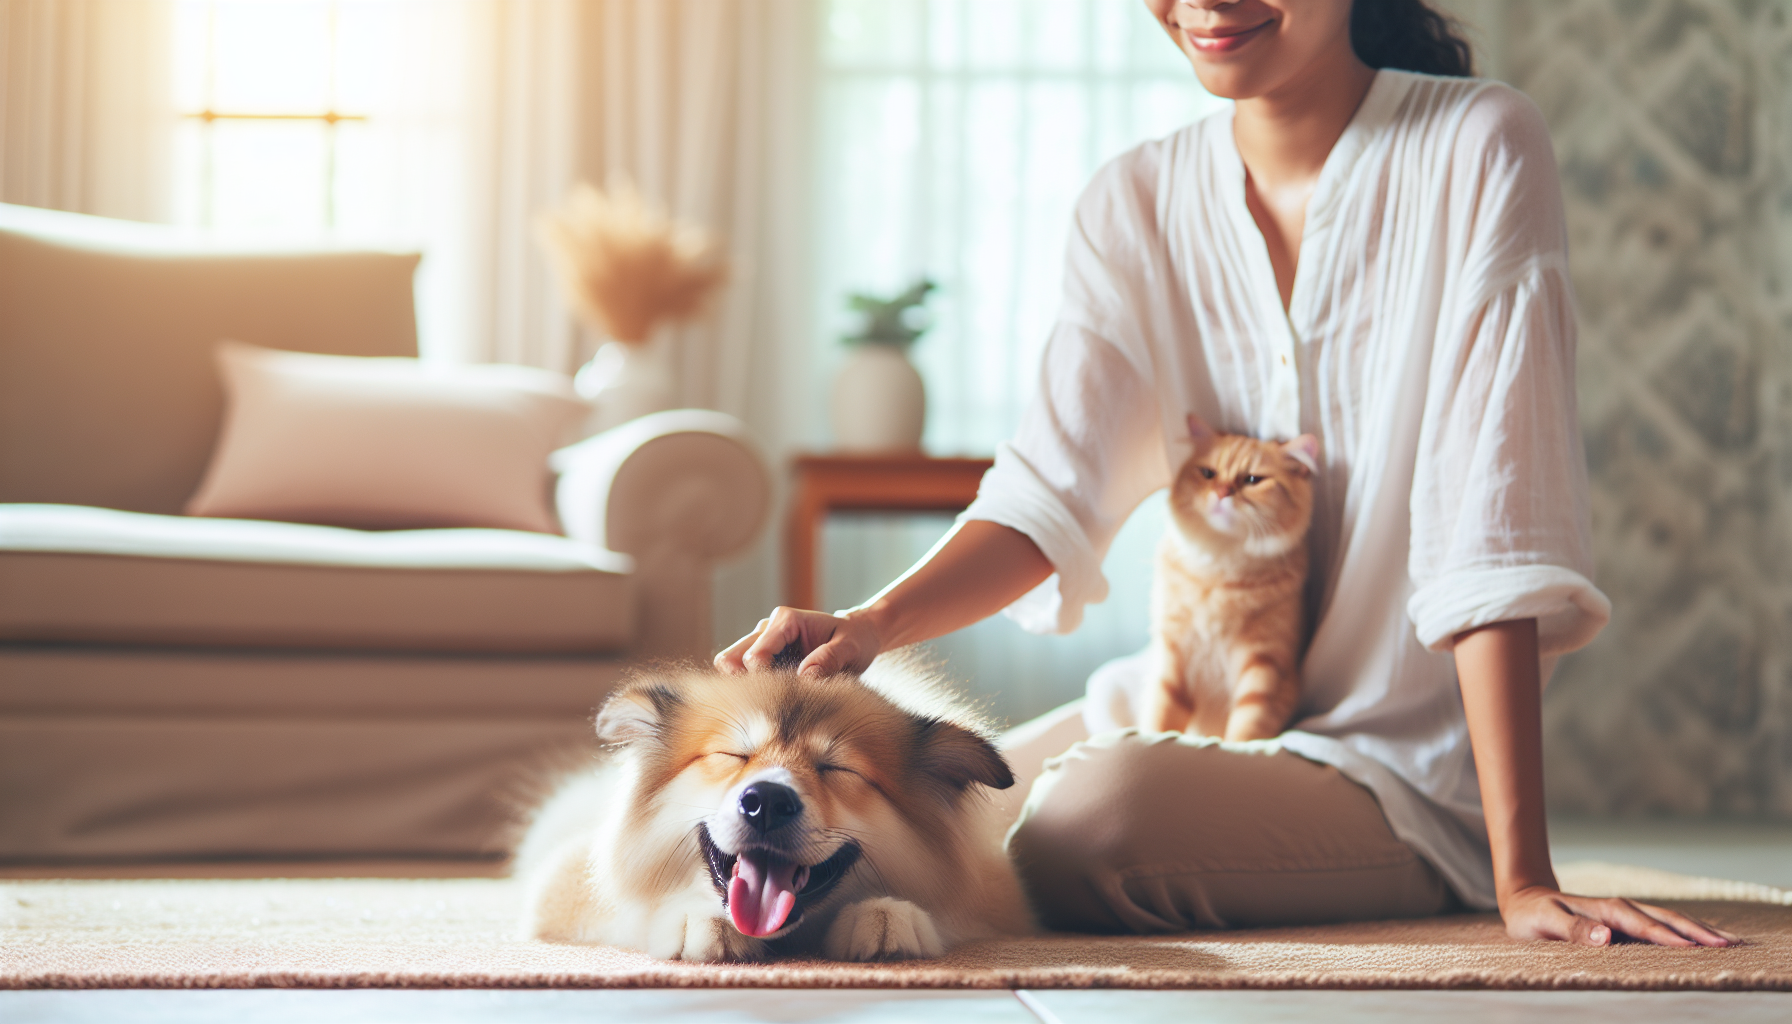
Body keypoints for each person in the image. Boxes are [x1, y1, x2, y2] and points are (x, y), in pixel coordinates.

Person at [720, 0, 1733, 948]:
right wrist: (871, 624)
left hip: (1392, 775)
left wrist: (1519, 873)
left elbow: (1492, 522)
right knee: (879, 810)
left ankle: (1445, 856)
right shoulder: (1133, 200)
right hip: (1179, 725)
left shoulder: (1478, 144)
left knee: (1087, 823)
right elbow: (1049, 494)